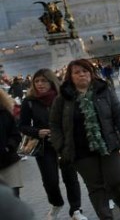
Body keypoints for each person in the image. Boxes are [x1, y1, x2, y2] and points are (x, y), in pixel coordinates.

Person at [50, 59, 120, 220]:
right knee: (95, 186)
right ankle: (105, 217)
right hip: (80, 151)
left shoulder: (104, 90)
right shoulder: (62, 98)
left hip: (109, 144)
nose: (82, 74)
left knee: (117, 179)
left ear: (91, 73)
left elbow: (119, 114)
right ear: (70, 76)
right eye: (77, 72)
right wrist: (61, 147)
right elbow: (54, 125)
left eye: (85, 71)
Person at [19, 68, 87, 220]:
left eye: (44, 81)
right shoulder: (29, 101)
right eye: (36, 81)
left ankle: (76, 210)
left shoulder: (63, 97)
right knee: (50, 180)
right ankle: (56, 203)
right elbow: (22, 125)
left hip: (64, 144)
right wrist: (37, 132)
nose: (40, 84)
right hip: (44, 146)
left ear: (51, 82)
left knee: (70, 177)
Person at [0, 89, 23, 198]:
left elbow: (15, 135)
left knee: (13, 197)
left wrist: (9, 147)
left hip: (8, 161)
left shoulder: (4, 113)